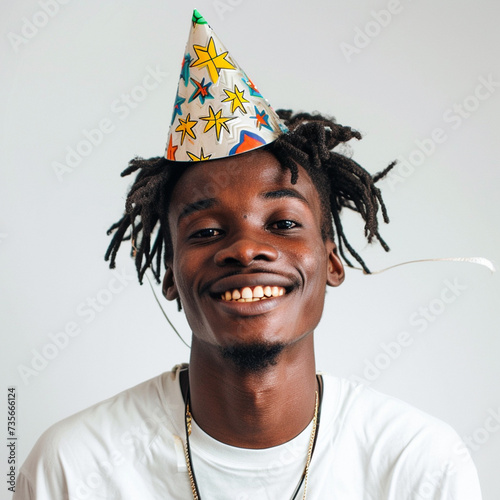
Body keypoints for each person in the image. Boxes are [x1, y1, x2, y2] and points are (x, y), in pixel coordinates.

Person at [15, 10, 482, 499]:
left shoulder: (419, 466)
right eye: (207, 230)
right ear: (170, 274)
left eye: (283, 224)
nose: (245, 249)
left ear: (332, 259)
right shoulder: (71, 467)